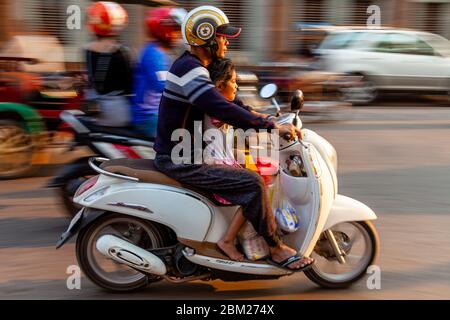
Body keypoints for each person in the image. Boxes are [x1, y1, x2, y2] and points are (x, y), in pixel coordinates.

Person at [153, 6, 314, 270]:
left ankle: (237, 238)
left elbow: (233, 102)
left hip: (192, 152)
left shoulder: (199, 66)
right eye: (222, 36)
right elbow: (220, 107)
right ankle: (276, 248)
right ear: (206, 37)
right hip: (182, 159)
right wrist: (269, 127)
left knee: (251, 165)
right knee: (252, 182)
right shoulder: (189, 69)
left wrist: (270, 120)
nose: (226, 41)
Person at [132, 7, 186, 138]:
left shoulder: (161, 52)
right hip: (148, 117)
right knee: (187, 138)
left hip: (157, 113)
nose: (179, 35)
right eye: (177, 30)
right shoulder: (153, 54)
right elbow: (164, 86)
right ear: (164, 30)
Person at [84, 1, 133, 127]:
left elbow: (89, 80)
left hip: (96, 111)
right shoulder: (122, 52)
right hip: (119, 112)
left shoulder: (87, 51)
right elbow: (129, 85)